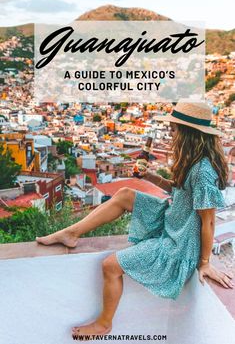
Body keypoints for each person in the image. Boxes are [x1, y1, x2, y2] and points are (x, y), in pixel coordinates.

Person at [36, 102, 234, 339]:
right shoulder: (192, 160)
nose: (170, 134)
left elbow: (209, 222)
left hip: (179, 244)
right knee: (125, 194)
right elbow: (177, 191)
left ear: (188, 133)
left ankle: (104, 323)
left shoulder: (203, 172)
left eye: (174, 129)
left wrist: (204, 263)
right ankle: (71, 233)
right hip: (172, 220)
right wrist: (149, 176)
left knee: (110, 266)